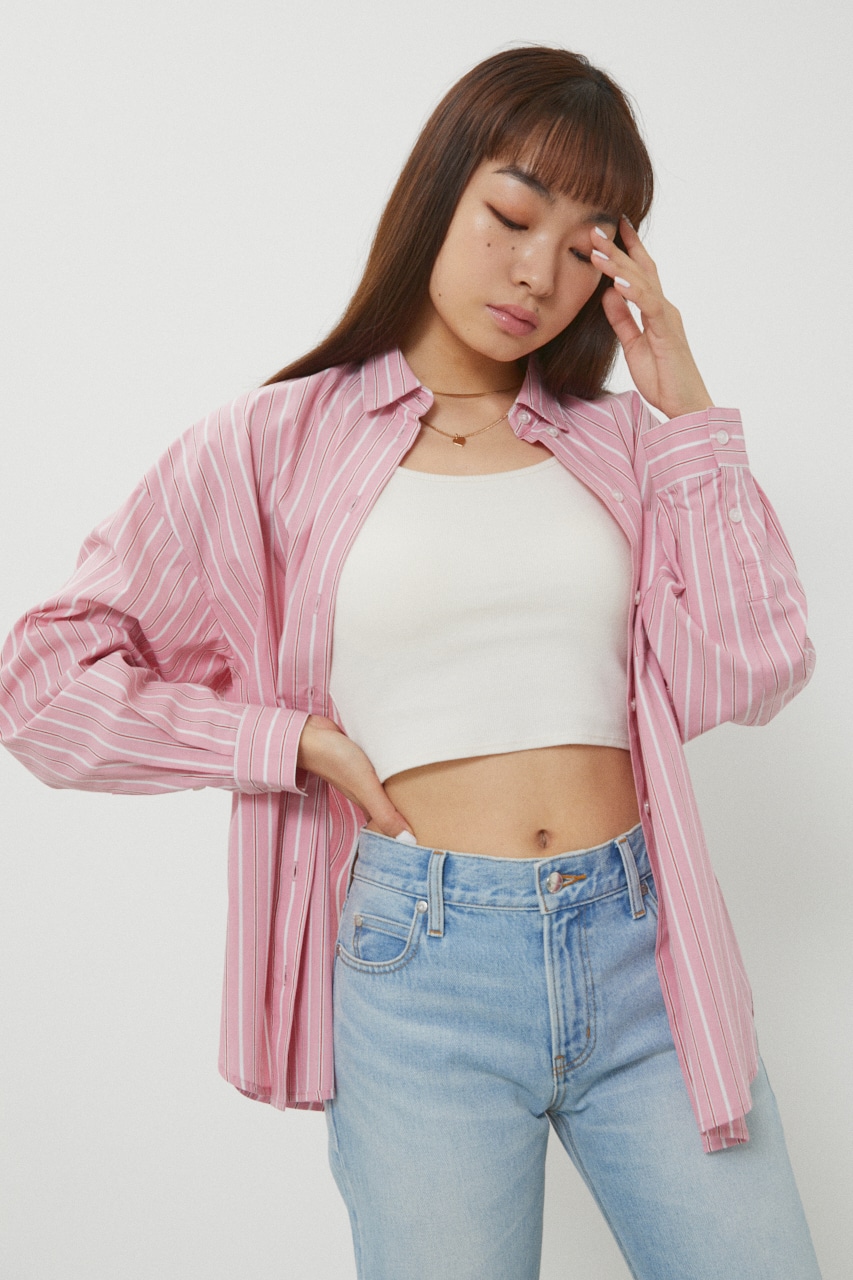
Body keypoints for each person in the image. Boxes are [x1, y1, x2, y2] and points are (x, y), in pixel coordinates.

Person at [0, 45, 822, 1280]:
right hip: (421, 969)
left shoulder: (622, 446)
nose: (537, 273)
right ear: (440, 190)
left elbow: (756, 666)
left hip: (646, 952)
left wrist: (685, 404)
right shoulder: (272, 443)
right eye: (511, 215)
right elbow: (39, 682)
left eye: (585, 246)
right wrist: (286, 742)